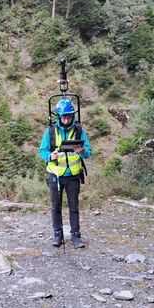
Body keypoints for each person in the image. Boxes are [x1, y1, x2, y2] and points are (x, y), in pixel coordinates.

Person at [39, 98, 92, 248]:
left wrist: (82, 152)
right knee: (56, 206)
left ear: (72, 115)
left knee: (74, 207)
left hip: (73, 176)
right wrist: (50, 156)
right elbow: (42, 150)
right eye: (64, 116)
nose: (66, 119)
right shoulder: (50, 131)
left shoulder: (79, 131)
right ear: (59, 116)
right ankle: (57, 235)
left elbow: (88, 151)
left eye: (69, 116)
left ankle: (75, 236)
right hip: (55, 175)